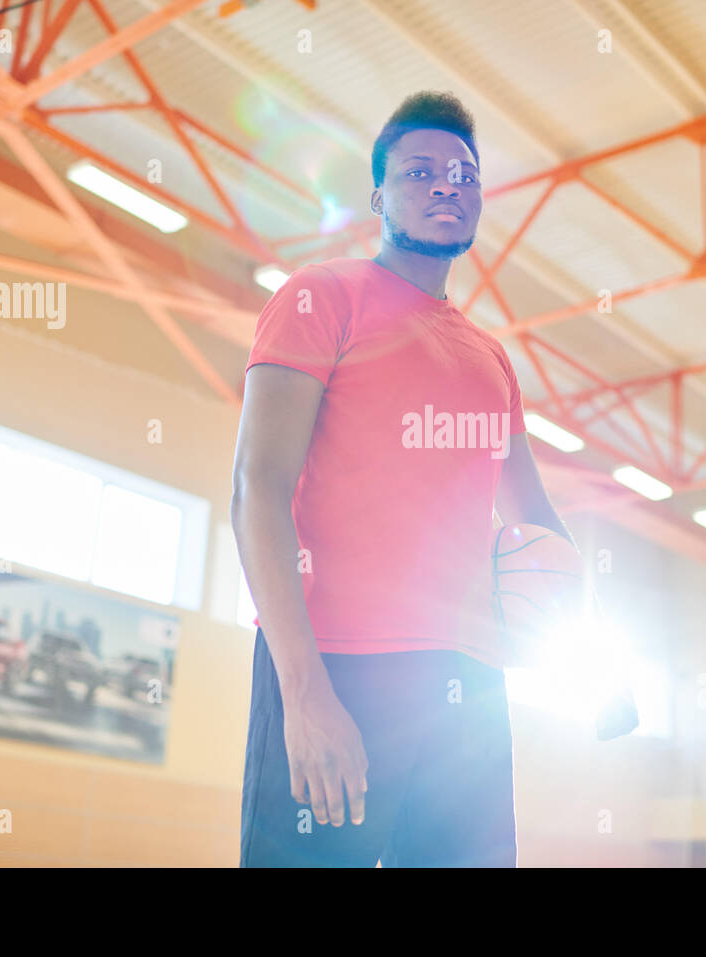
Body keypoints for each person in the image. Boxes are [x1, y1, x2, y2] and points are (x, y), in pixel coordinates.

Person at [232, 91, 572, 867]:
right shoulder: (322, 297)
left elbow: (538, 525)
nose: (446, 185)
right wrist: (305, 694)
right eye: (421, 172)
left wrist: (585, 648)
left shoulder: (493, 359)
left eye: (464, 174)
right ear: (379, 195)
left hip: (471, 690)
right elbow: (258, 488)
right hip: (341, 665)